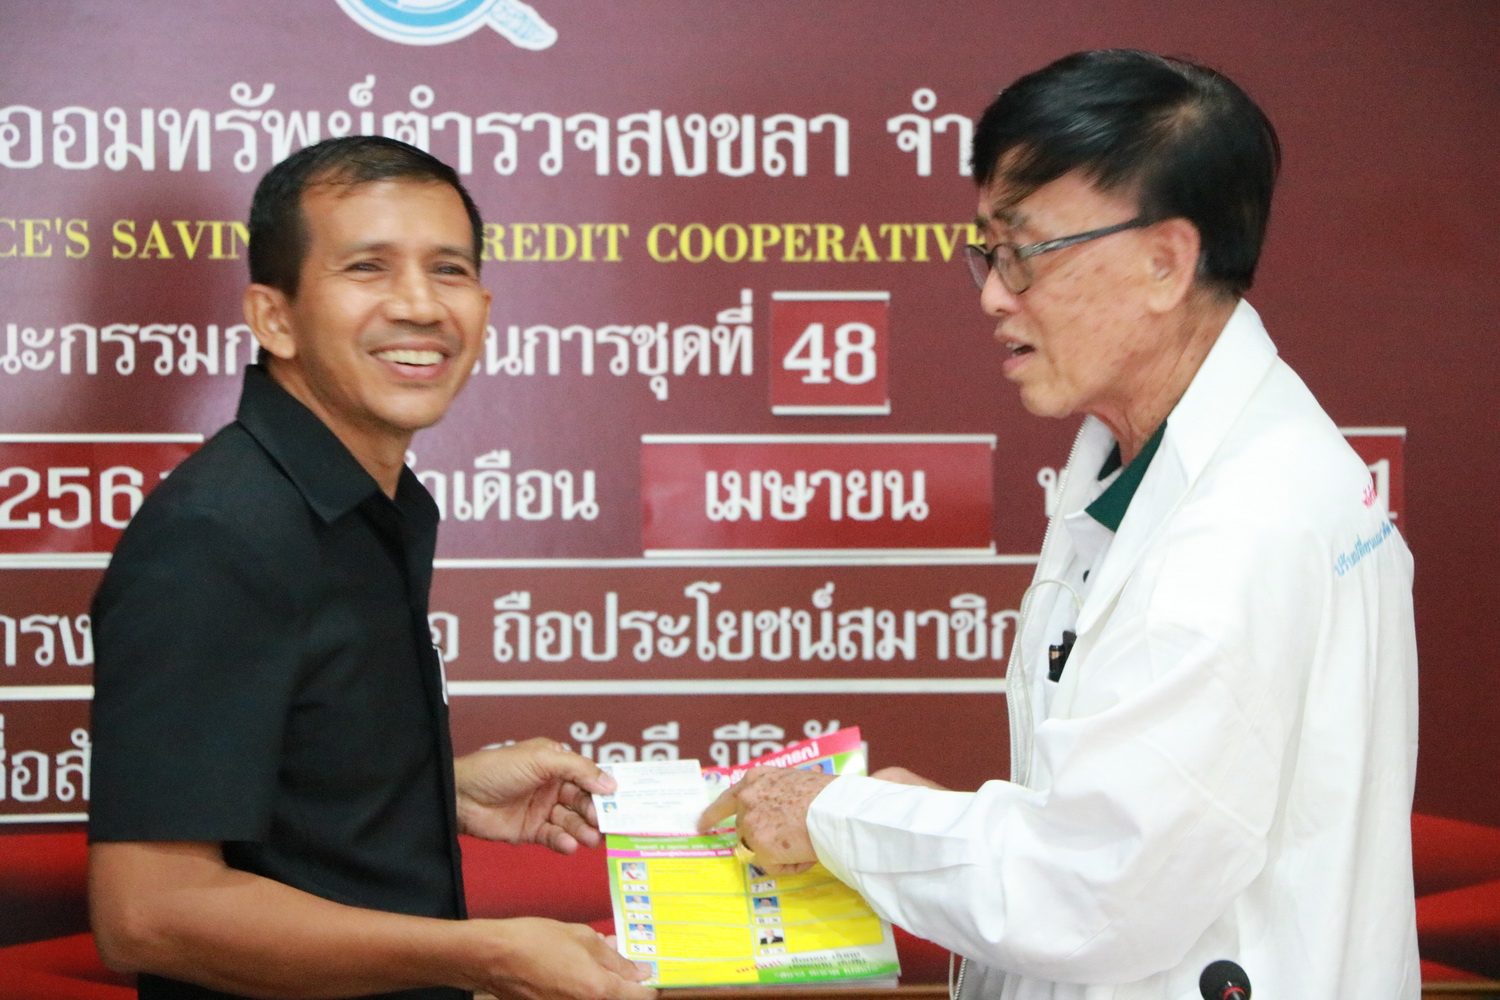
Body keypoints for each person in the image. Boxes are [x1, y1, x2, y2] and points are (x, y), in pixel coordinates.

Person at [701, 49, 1419, 999]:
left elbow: (1096, 892)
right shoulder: (1152, 458)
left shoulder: (1245, 521)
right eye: (987, 253)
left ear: (1165, 262)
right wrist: (915, 820)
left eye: (1025, 253)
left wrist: (838, 817)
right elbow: (1130, 820)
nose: (993, 294)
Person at [87, 136, 657, 1000]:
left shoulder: (366, 506)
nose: (421, 305)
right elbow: (150, 913)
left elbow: (271, 788)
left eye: (449, 270)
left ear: (484, 306)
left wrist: (433, 793)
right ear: (274, 318)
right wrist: (488, 954)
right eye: (367, 267)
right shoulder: (219, 533)